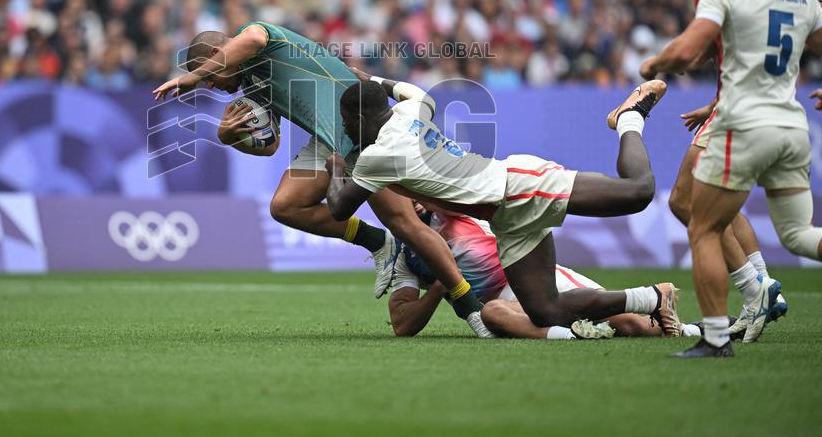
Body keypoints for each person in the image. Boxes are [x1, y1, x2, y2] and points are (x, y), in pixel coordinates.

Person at [152, 24, 493, 337]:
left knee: (406, 223)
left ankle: (471, 310)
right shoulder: (253, 84)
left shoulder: (259, 39)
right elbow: (270, 146)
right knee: (286, 206)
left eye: (211, 75)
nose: (212, 85)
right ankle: (379, 242)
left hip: (364, 131)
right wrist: (229, 137)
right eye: (206, 80)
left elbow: (254, 39)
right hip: (330, 140)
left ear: (215, 55)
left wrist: (193, 77)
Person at [325, 73, 681, 334]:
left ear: (358, 119)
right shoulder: (413, 110)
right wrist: (368, 77)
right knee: (545, 311)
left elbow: (339, 208)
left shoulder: (379, 156)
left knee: (639, 190)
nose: (346, 131)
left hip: (517, 186)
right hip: (506, 216)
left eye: (346, 124)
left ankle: (629, 118)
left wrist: (332, 168)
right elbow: (408, 90)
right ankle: (652, 297)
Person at [641, 0, 822, 358]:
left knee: (697, 218)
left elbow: (697, 45)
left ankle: (727, 325)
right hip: (789, 121)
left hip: (741, 117)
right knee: (799, 235)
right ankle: (760, 286)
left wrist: (656, 63)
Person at [670, 0, 785, 341]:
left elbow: (737, 28)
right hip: (742, 97)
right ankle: (764, 285)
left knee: (684, 201)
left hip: (742, 99)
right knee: (721, 200)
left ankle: (755, 293)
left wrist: (687, 54)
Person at [388, 202, 703, 340]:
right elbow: (402, 324)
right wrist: (439, 288)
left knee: (633, 327)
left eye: (410, 193)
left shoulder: (450, 208)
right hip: (503, 307)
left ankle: (699, 327)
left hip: (533, 279)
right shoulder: (405, 256)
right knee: (493, 313)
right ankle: (574, 337)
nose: (411, 203)